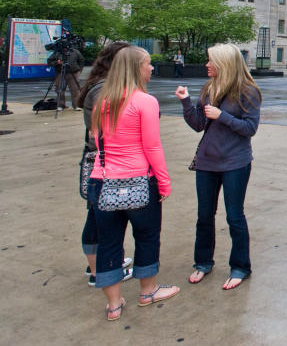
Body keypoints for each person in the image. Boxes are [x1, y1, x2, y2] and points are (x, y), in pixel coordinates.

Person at [88, 47, 178, 321]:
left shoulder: (102, 101)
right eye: (148, 64)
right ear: (135, 68)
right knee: (147, 236)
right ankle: (148, 290)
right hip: (139, 181)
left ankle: (114, 305)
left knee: (109, 243)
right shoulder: (145, 102)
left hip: (102, 182)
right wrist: (164, 182)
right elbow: (152, 146)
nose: (152, 69)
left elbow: (95, 139)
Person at [176, 43, 262, 291]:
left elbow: (250, 129)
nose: (206, 65)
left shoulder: (248, 91)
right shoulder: (209, 88)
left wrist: (222, 116)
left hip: (235, 162)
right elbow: (199, 124)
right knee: (204, 215)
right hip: (207, 162)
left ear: (224, 64)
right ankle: (203, 262)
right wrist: (185, 102)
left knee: (234, 216)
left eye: (211, 61)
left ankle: (240, 266)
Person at [78, 41, 134, 287]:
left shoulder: (103, 85)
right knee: (97, 216)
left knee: (102, 214)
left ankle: (105, 262)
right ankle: (96, 270)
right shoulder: (103, 89)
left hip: (103, 159)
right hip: (103, 161)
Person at [47, 39, 84, 111]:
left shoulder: (75, 52)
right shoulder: (57, 53)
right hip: (60, 73)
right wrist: (57, 62)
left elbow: (81, 60)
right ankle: (61, 105)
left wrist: (80, 69)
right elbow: (49, 61)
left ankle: (76, 105)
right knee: (59, 89)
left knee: (75, 90)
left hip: (73, 72)